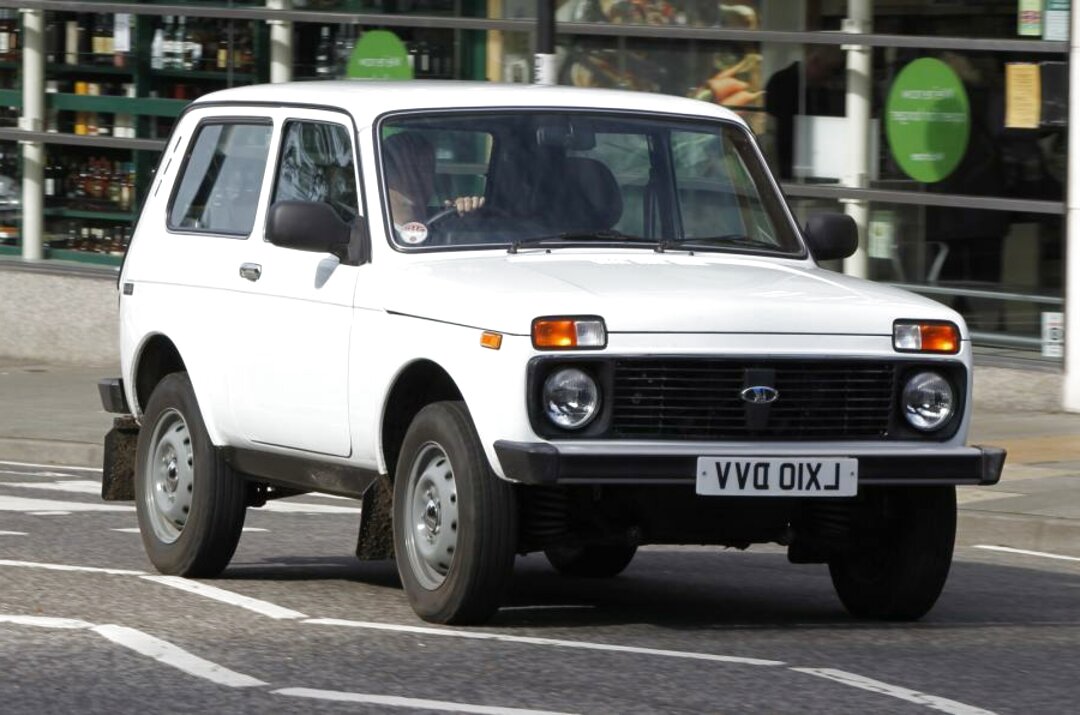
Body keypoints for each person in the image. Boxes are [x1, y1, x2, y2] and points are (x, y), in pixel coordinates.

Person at [382, 131, 483, 229]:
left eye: (428, 170)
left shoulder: (439, 222)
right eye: (413, 169)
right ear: (388, 174)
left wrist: (468, 218)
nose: (422, 179)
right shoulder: (373, 228)